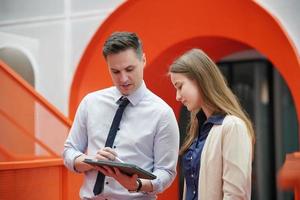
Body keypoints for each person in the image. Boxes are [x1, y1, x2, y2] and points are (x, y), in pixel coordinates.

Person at [63, 32, 179, 199]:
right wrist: (91, 161)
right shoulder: (90, 102)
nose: (123, 78)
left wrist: (137, 184)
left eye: (129, 69)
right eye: (115, 71)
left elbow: (166, 172)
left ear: (143, 60)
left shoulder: (162, 113)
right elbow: (69, 151)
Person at [169, 48, 255, 200]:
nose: (177, 96)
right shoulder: (199, 129)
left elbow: (236, 195)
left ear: (199, 79)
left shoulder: (233, 126)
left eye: (180, 86)